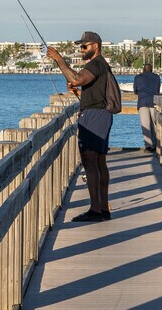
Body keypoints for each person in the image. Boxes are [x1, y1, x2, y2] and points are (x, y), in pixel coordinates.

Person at [46, 31, 113, 222]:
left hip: (94, 117)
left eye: (84, 46)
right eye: (80, 46)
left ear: (95, 46)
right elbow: (89, 91)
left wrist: (59, 59)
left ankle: (95, 210)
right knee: (99, 162)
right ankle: (103, 208)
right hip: (100, 115)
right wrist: (79, 92)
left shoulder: (96, 64)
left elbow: (76, 78)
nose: (81, 49)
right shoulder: (101, 65)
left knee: (90, 161)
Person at [133, 64, 161, 152]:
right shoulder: (157, 77)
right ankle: (157, 145)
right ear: (151, 70)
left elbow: (135, 90)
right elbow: (158, 90)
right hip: (154, 102)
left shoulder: (138, 77)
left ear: (143, 70)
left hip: (143, 102)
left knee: (146, 125)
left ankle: (148, 146)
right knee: (155, 124)